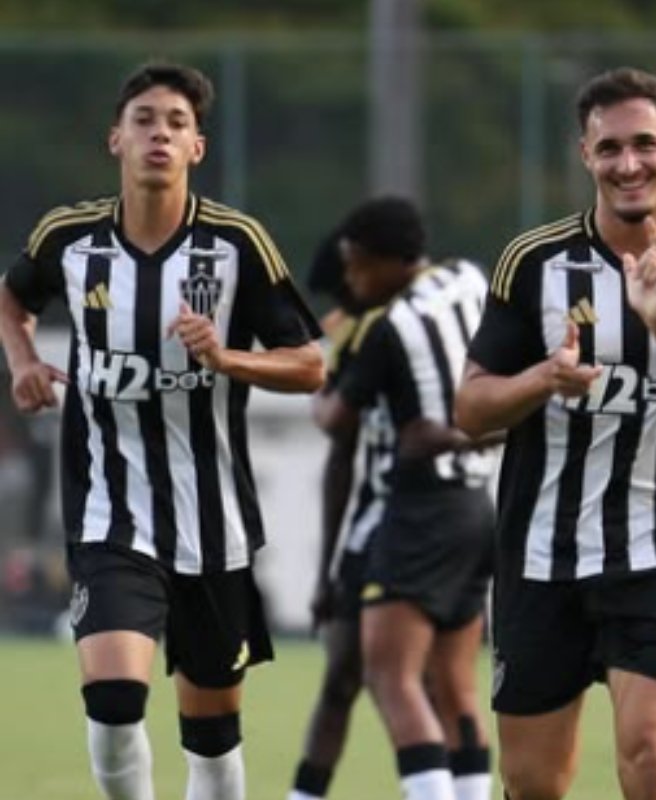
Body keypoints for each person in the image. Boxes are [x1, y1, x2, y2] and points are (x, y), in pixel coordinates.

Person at [0, 61, 324, 800]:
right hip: (109, 516)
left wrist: (225, 356)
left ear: (197, 149)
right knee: (114, 704)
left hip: (215, 528)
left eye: (176, 124)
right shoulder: (69, 239)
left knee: (211, 740)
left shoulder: (237, 244)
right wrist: (21, 359)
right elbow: (11, 299)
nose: (159, 134)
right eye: (144, 120)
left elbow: (310, 366)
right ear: (116, 138)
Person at [455, 66, 656, 800]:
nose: (629, 164)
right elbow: (470, 411)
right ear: (585, 156)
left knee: (652, 757)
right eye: (611, 148)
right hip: (539, 558)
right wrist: (541, 380)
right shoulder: (532, 264)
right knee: (532, 784)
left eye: (645, 145)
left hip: (655, 551)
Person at [313, 196, 497, 800]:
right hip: (477, 503)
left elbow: (337, 421)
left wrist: (320, 376)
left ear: (383, 261)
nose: (353, 282)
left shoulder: (390, 329)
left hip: (421, 510)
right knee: (455, 685)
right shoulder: (469, 276)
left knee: (390, 677)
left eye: (357, 267)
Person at [286, 226, 395, 800]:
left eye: (344, 294)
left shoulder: (409, 328)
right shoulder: (359, 337)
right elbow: (341, 458)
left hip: (425, 530)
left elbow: (334, 431)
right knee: (343, 676)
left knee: (413, 687)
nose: (338, 310)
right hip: (375, 531)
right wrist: (328, 570)